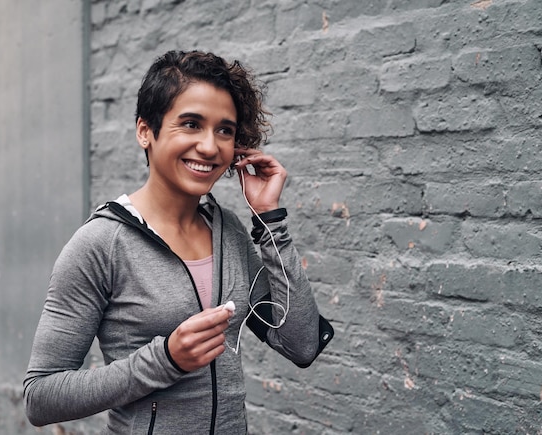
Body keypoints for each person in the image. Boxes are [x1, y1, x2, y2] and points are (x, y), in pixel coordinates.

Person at [23, 50, 324, 434]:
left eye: (224, 130)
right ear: (145, 131)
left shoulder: (227, 231)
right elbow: (40, 396)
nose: (210, 147)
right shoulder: (100, 244)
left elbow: (301, 343)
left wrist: (270, 221)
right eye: (191, 124)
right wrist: (166, 359)